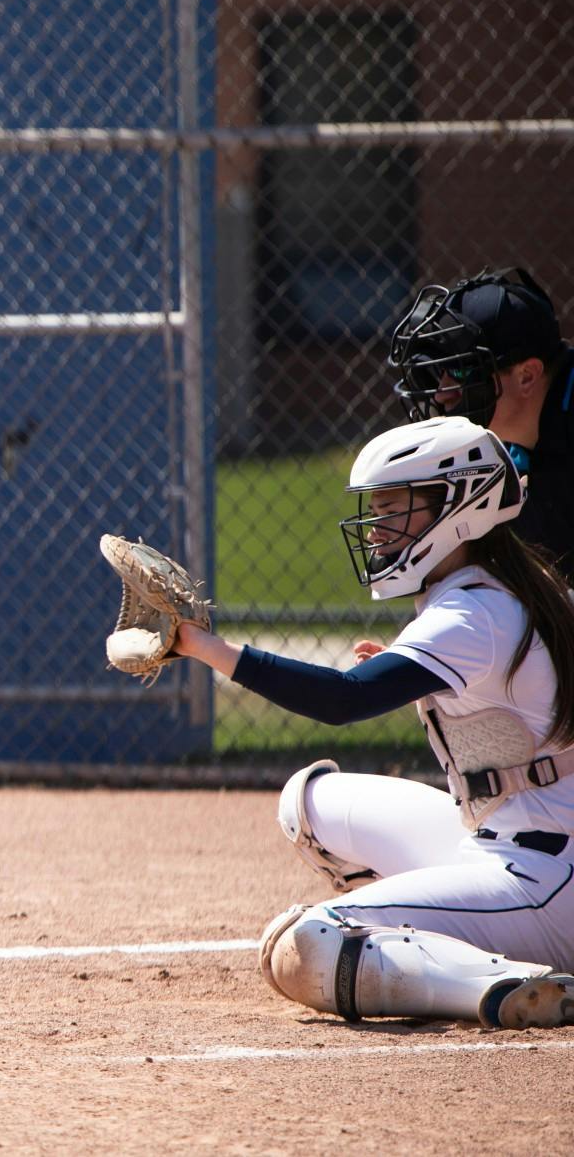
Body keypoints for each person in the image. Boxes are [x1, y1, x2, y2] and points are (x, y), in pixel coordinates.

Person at [159, 415, 574, 1029]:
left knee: (305, 943)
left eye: (394, 509)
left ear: (459, 507)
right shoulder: (508, 587)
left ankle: (496, 982)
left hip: (546, 882)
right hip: (513, 844)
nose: (377, 528)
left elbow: (341, 701)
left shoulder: (472, 610)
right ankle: (424, 931)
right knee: (308, 806)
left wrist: (205, 648)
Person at [388, 267, 574, 571]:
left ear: (526, 376)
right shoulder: (499, 452)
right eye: (440, 372)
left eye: (462, 372)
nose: (442, 394)